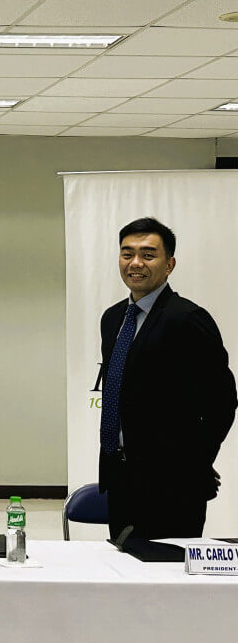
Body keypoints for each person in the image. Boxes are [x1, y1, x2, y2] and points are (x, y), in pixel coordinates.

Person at [98, 217, 236, 539]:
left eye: (148, 254)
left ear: (169, 264)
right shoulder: (112, 318)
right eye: (127, 253)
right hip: (119, 478)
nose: (135, 263)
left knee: (166, 583)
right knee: (122, 576)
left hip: (174, 488)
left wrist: (196, 463)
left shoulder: (188, 320)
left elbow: (222, 402)